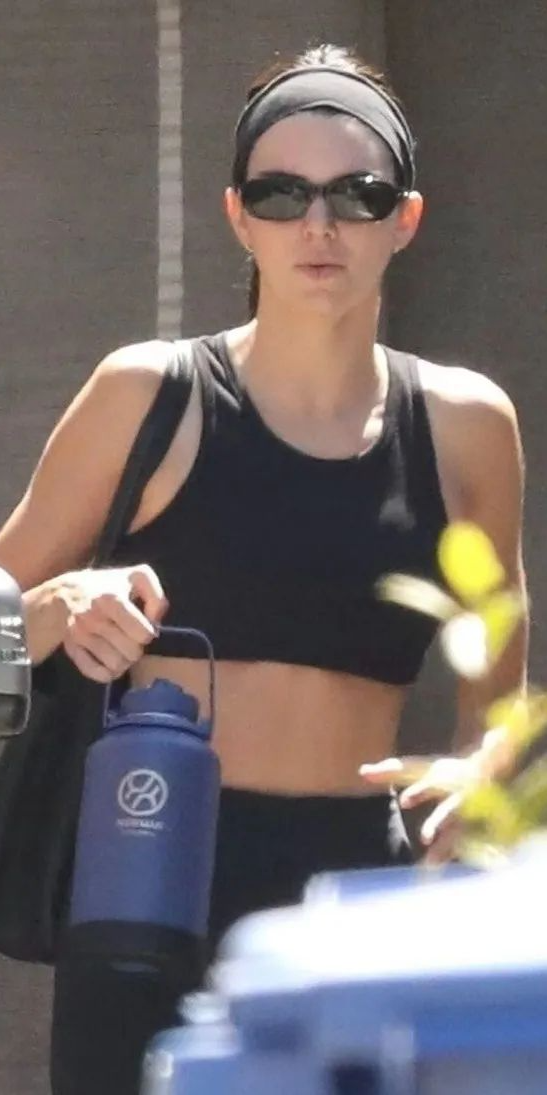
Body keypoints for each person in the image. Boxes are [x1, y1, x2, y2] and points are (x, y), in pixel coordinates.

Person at [0, 42, 527, 1095]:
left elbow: (499, 696)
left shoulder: (467, 424)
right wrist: (53, 606)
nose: (317, 226)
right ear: (239, 217)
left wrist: (476, 780)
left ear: (404, 220)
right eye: (282, 194)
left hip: (356, 890)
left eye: (355, 194)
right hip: (147, 857)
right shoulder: (148, 393)